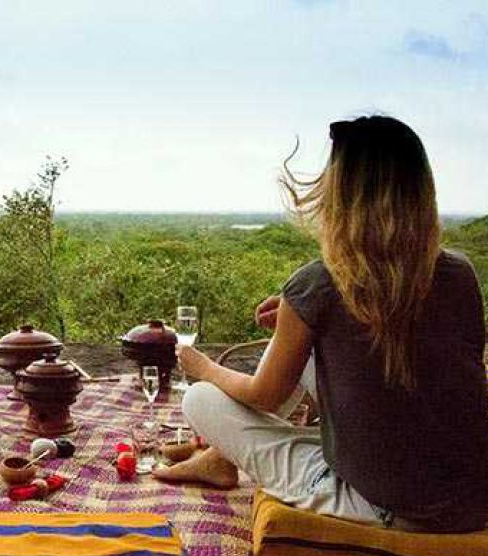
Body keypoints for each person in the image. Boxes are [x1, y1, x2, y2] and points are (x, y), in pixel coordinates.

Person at [153, 115, 488, 533]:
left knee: (200, 399)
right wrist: (302, 320)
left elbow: (265, 397)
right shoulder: (461, 274)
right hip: (472, 498)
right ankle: (220, 459)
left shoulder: (321, 284)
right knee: (311, 359)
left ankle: (225, 453)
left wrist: (200, 366)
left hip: (385, 506)